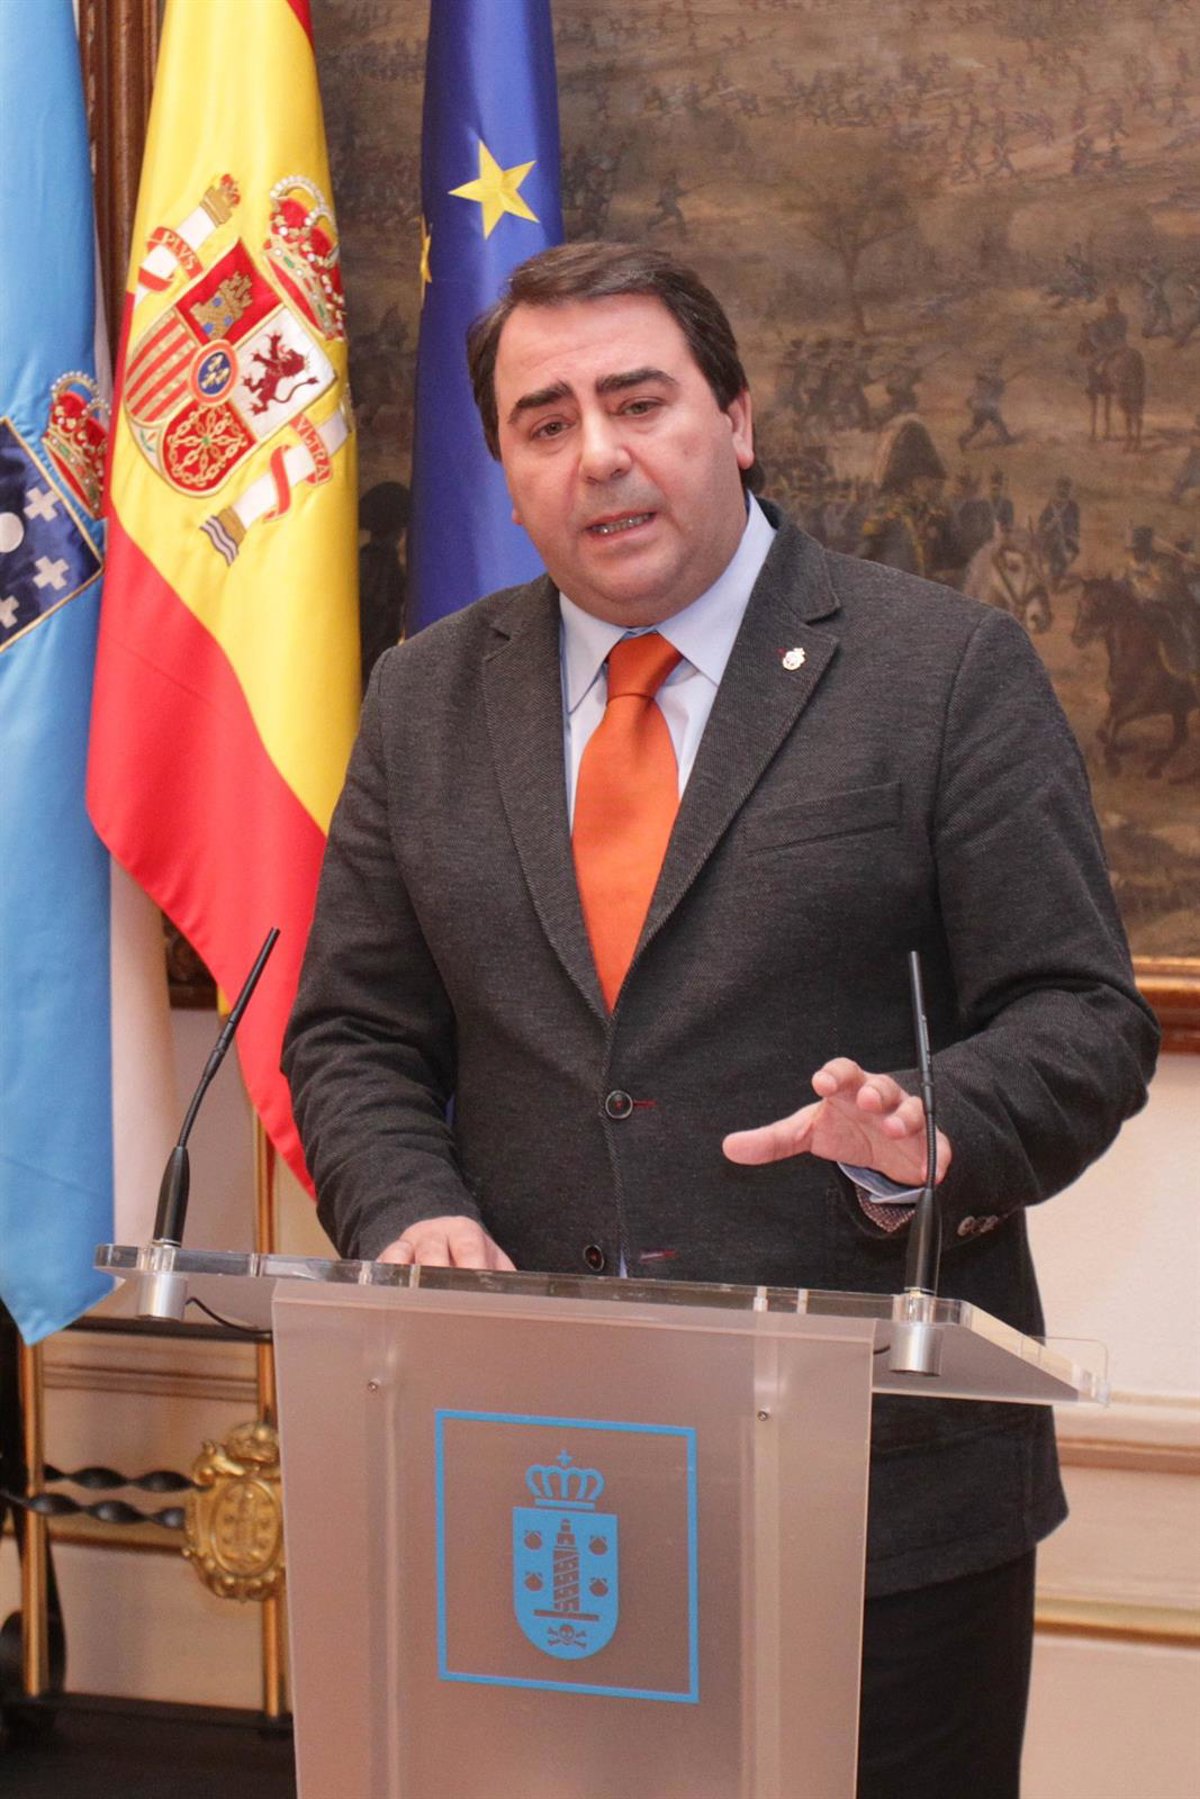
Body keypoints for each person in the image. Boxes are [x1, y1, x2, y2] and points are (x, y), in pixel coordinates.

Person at [283, 243, 1158, 1799]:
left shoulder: (941, 670)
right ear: (505, 472)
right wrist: (410, 1209)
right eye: (545, 421)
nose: (597, 454)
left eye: (639, 402)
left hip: (879, 1499)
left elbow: (1082, 1015)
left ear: (736, 419)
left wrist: (925, 1133)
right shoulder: (423, 699)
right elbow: (354, 1035)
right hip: (535, 1488)